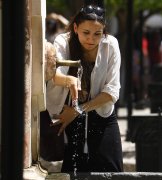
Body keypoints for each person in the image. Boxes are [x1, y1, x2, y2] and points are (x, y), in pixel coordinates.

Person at [46, 3, 123, 173]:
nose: (91, 39)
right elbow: (54, 75)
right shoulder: (63, 41)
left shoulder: (111, 45)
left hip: (101, 114)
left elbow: (112, 92)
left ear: (104, 31)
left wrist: (78, 110)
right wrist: (68, 80)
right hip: (67, 115)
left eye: (97, 34)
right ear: (75, 28)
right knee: (72, 170)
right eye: (86, 33)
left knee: (112, 170)